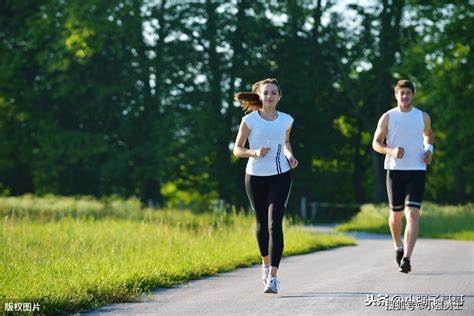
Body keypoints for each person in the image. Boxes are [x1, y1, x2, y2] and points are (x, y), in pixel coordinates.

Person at [233, 78, 298, 293]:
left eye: (273, 93)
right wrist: (254, 152)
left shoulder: (287, 120)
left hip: (281, 174)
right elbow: (237, 149)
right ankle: (265, 263)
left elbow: (286, 142)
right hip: (255, 176)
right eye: (266, 93)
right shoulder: (250, 121)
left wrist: (290, 156)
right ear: (260, 97)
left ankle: (273, 277)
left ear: (279, 97)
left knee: (274, 224)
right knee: (261, 223)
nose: (269, 96)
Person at [372, 79, 434, 273]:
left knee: (413, 213)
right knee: (396, 215)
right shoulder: (388, 117)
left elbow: (429, 135)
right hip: (395, 171)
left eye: (408, 93)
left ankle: (407, 257)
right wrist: (391, 151)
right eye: (402, 93)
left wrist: (429, 150)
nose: (405, 96)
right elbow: (376, 143)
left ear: (412, 94)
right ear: (396, 95)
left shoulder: (422, 116)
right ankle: (397, 246)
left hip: (417, 171)